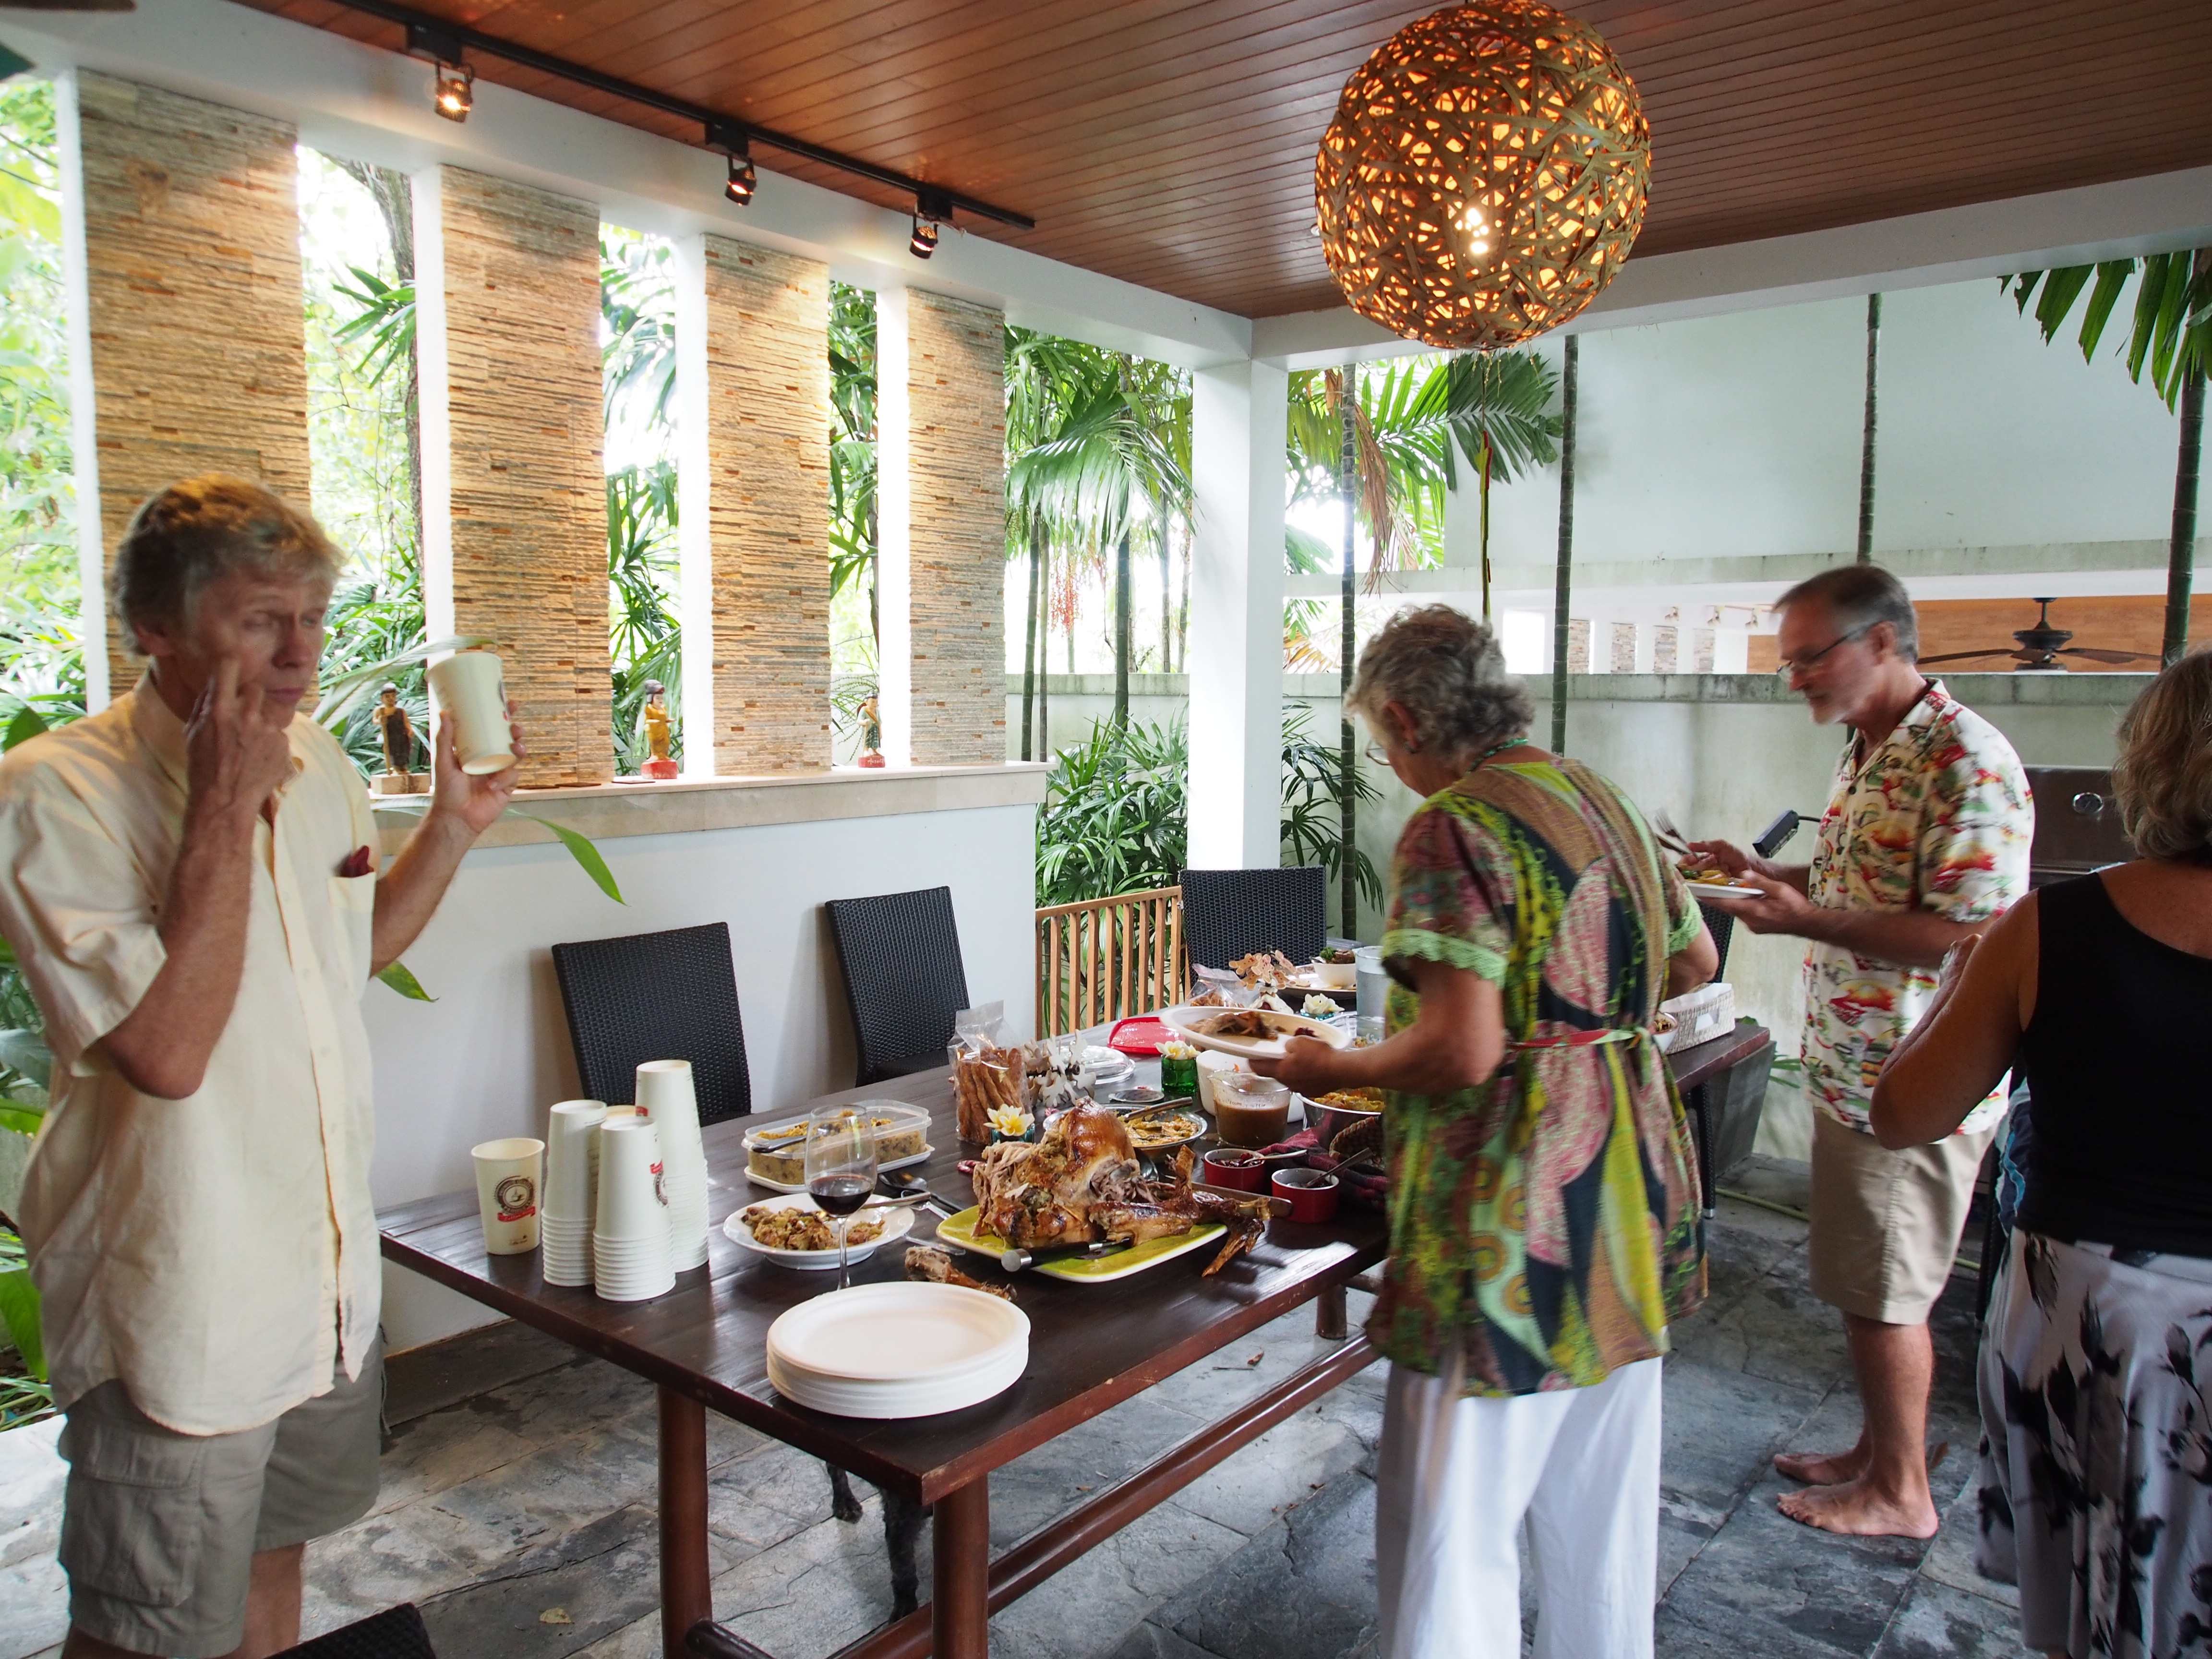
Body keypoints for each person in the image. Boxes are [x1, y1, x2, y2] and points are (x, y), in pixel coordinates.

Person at [0, 477, 522, 1659]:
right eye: (260, 621)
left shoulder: (320, 765)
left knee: (275, 1567)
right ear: (155, 627)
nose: (300, 654)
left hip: (319, 1291)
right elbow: (167, 1053)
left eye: (313, 618)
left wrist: (452, 827)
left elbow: (352, 954)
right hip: (184, 1309)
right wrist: (223, 808)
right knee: (146, 1634)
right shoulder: (54, 794)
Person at [1257, 604, 1718, 1659]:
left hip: (1512, 1216)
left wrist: (1328, 1067)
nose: (1392, 769)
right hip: (1627, 1194)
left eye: (1382, 744)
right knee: (1600, 1518)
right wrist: (1585, 1020)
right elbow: (1697, 964)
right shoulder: (1599, 793)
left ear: (1408, 718)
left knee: (1451, 1531)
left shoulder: (1456, 823)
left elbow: (1460, 1051)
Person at [1871, 650, 2212, 1659]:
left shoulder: (2054, 928)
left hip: (2098, 1320)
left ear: (2148, 764)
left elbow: (1905, 1112)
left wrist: (1958, 983)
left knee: (2096, 1600)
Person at [1689, 563, 2030, 1539]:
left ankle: (1902, 1493)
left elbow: (1972, 934)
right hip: (1854, 1065)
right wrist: (1770, 876)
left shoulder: (1965, 760)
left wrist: (1805, 920)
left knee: (1887, 1292)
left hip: (1913, 1079)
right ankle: (1878, 1453)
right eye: (1788, 661)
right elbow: (1866, 880)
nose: (1795, 677)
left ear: (1882, 642)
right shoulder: (1873, 747)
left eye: (1809, 657)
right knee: (1862, 1279)